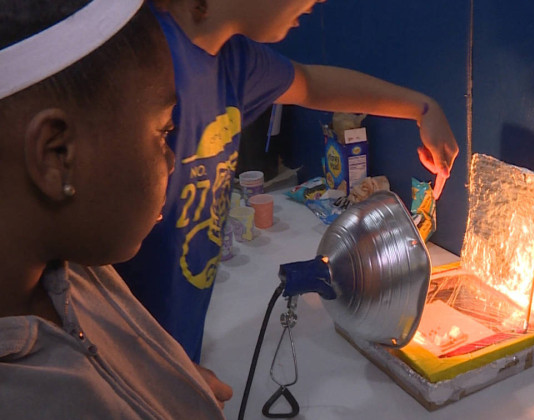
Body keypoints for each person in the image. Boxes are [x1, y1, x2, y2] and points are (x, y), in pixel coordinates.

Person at [115, 0, 461, 364]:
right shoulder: (143, 55)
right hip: (116, 357)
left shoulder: (234, 62)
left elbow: (310, 84)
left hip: (170, 352)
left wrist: (423, 108)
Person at [0, 0, 231, 416]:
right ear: (58, 154)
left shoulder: (75, 270)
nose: (173, 159)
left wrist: (162, 377)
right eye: (165, 131)